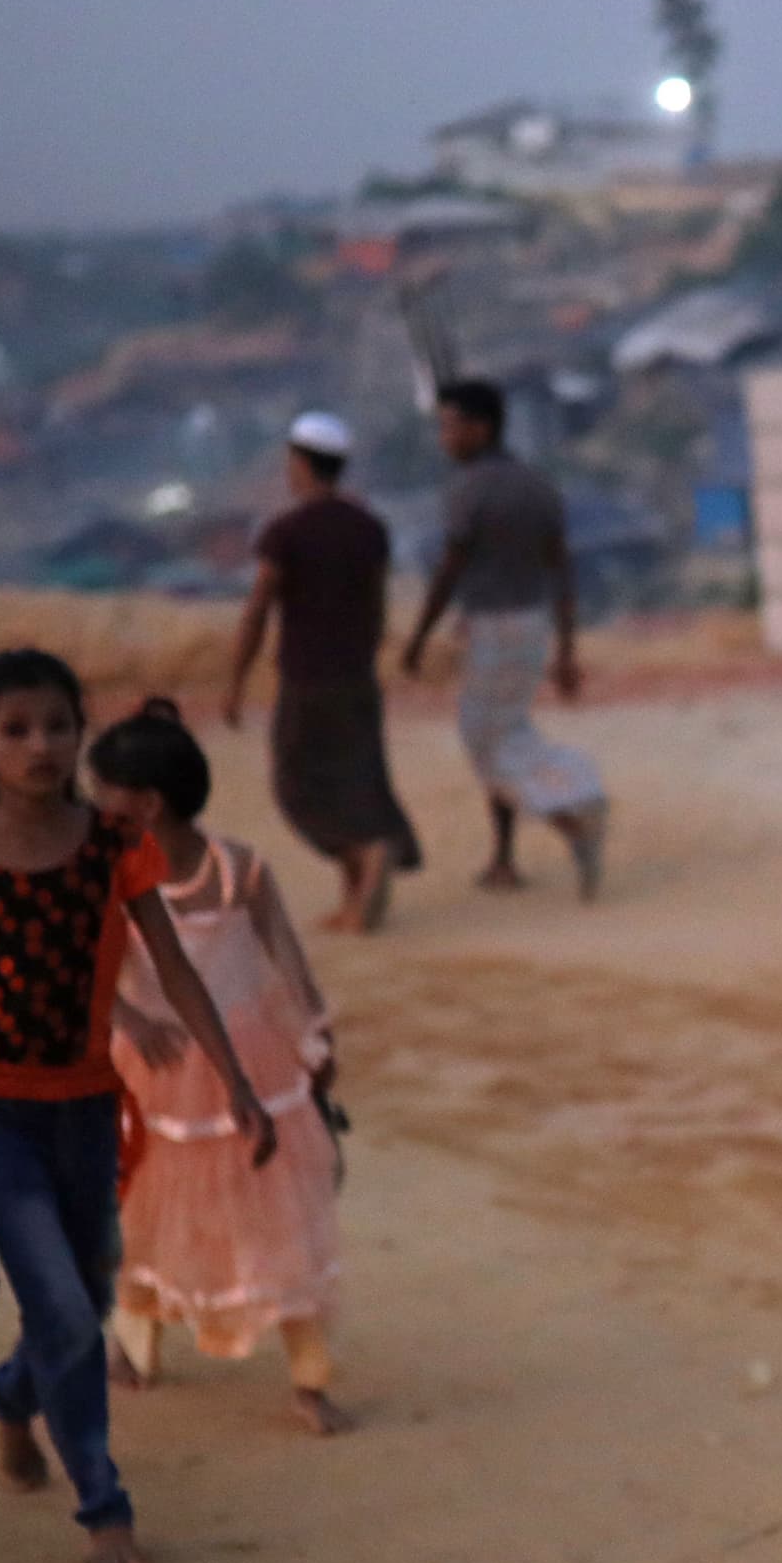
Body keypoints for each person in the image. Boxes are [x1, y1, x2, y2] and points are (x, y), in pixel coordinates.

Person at [0, 650, 276, 1563]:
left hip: (88, 1111)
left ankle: (9, 1393)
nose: (42, 746)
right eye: (17, 729)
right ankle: (103, 1508)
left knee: (84, 1290)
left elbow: (176, 970)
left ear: (81, 735)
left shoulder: (117, 847)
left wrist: (236, 1081)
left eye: (59, 727)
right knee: (70, 1310)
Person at [86, 699, 353, 1438]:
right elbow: (88, 962)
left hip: (249, 1070)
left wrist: (316, 1043)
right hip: (154, 1072)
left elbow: (286, 964)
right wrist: (130, 1019)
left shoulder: (241, 870)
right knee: (144, 1209)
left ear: (146, 804)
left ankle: (310, 1377)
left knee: (276, 1221)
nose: (93, 806)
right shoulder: (109, 874)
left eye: (104, 792)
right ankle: (136, 1345)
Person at [404, 377, 608, 899]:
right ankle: (504, 858)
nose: (444, 437)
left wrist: (418, 636)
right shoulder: (537, 485)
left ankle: (575, 805)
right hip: (533, 624)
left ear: (480, 427)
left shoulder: (468, 489)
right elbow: (562, 571)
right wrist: (565, 650)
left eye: (451, 425)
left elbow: (450, 569)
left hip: (491, 626)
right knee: (504, 732)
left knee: (487, 741)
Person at [228, 412, 420, 933]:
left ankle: (365, 850)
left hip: (307, 679)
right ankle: (356, 900)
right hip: (356, 678)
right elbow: (378, 605)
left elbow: (258, 610)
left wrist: (235, 682)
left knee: (297, 785)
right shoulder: (369, 528)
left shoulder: (286, 532)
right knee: (358, 781)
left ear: (300, 464)